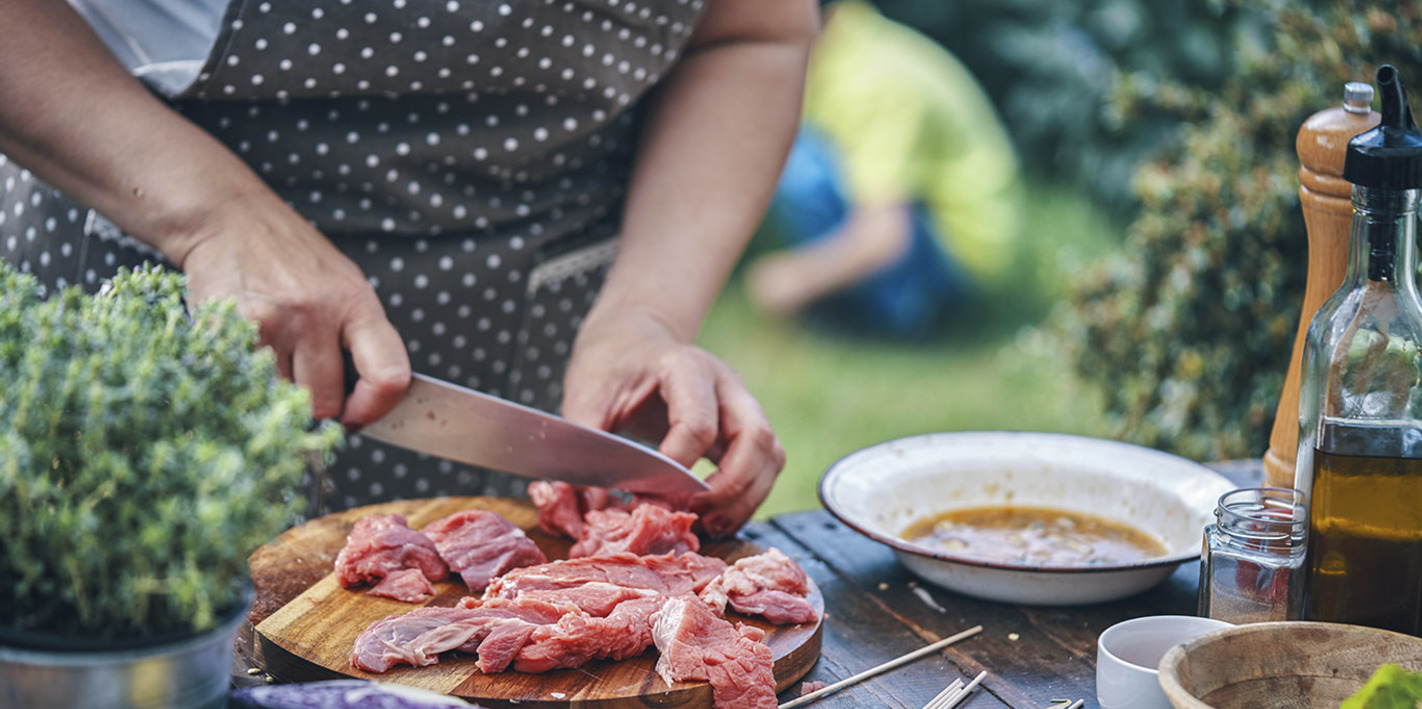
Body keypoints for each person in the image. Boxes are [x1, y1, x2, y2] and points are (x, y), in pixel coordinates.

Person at [0, 0, 817, 536]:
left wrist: (646, 315)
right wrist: (214, 216)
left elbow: (752, 31)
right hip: (150, 293)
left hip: (533, 347)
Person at [745, 0, 1022, 338]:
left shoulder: (872, 85)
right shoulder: (847, 49)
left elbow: (887, 237)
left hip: (959, 258)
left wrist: (792, 279)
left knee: (797, 161)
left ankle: (900, 312)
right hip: (941, 229)